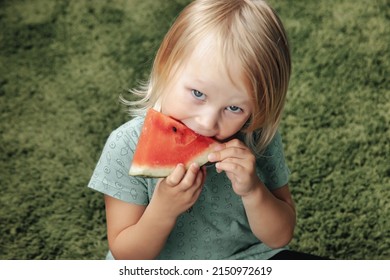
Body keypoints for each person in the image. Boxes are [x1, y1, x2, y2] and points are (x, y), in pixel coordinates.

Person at [88, 0, 322, 260]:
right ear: (167, 64)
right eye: (198, 94)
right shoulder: (125, 145)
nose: (207, 122)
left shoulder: (255, 136)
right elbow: (127, 256)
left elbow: (280, 235)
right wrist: (163, 210)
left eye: (234, 108)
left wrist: (253, 190)